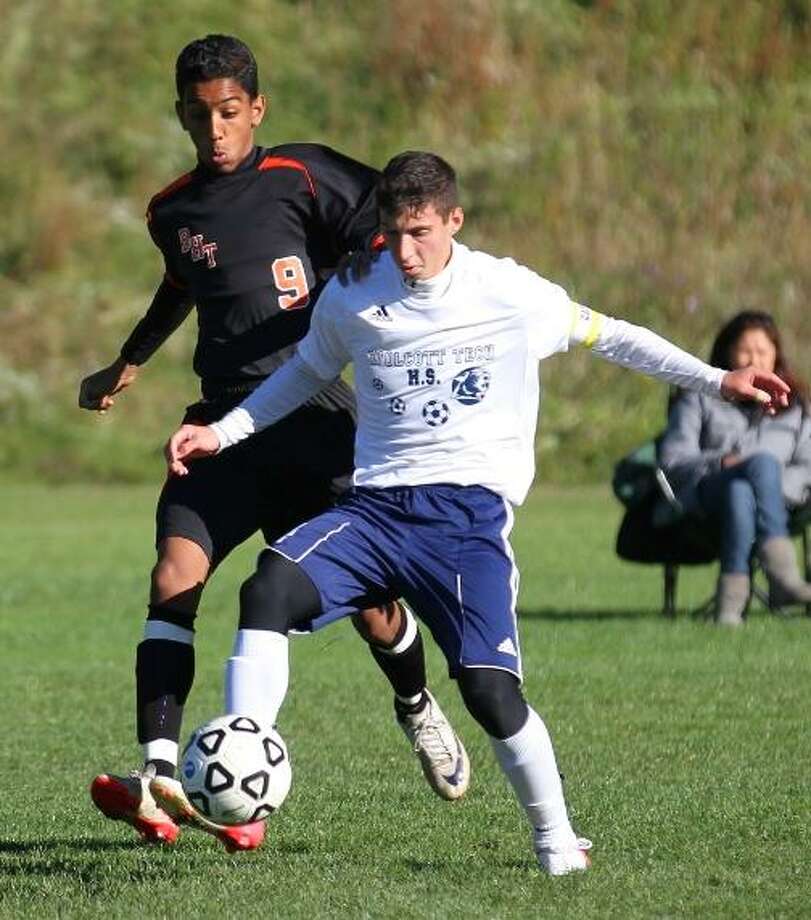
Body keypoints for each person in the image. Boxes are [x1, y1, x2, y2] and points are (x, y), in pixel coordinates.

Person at [158, 151, 789, 874]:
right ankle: (249, 752)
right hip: (372, 513)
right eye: (392, 233)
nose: (405, 251)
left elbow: (611, 335)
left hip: (463, 522)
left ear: (454, 221)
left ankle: (557, 840)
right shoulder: (354, 294)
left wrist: (716, 379)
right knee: (268, 585)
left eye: (421, 232)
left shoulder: (508, 291)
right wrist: (221, 431)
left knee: (490, 694)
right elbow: (304, 374)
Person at [78, 37, 467, 853]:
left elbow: (384, 229)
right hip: (222, 425)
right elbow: (182, 286)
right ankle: (160, 776)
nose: (214, 129)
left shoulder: (304, 174)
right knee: (173, 573)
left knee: (371, 607)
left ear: (256, 108)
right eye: (198, 114)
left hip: (314, 419)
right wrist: (128, 361)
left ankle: (417, 707)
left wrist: (379, 298)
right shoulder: (171, 211)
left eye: (229, 112)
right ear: (181, 114)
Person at [658, 311, 811, 625]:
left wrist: (766, 485)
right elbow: (673, 460)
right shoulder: (698, 398)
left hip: (781, 503)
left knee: (742, 488)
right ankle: (783, 578)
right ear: (727, 351)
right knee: (752, 470)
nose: (754, 358)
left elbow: (807, 467)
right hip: (704, 494)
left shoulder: (796, 409)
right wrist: (721, 462)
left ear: (776, 356)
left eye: (763, 351)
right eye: (745, 350)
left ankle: (729, 607)